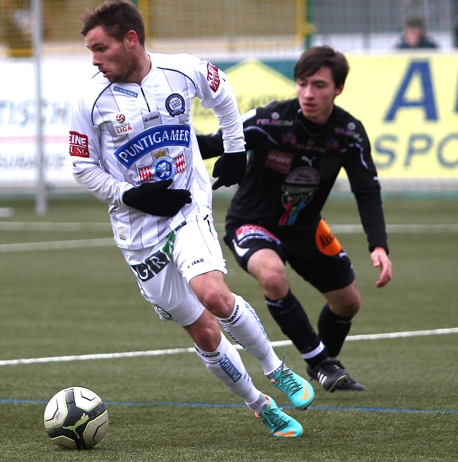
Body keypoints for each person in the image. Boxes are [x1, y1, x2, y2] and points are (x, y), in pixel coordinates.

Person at [68, 0, 314, 438]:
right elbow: (82, 166)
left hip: (187, 206)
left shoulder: (182, 70)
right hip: (136, 231)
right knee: (202, 331)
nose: (94, 59)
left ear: (131, 39)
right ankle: (260, 404)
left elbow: (224, 95)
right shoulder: (89, 98)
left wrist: (236, 150)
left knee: (215, 296)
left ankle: (277, 369)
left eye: (100, 48)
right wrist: (131, 195)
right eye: (90, 50)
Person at [197, 45, 393, 393]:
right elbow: (212, 144)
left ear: (338, 89)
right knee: (273, 276)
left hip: (306, 226)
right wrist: (159, 143)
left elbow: (367, 189)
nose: (308, 93)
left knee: (348, 302)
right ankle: (321, 364)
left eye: (319, 85)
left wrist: (378, 244)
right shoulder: (271, 119)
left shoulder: (349, 133)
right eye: (302, 83)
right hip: (251, 222)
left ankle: (322, 363)